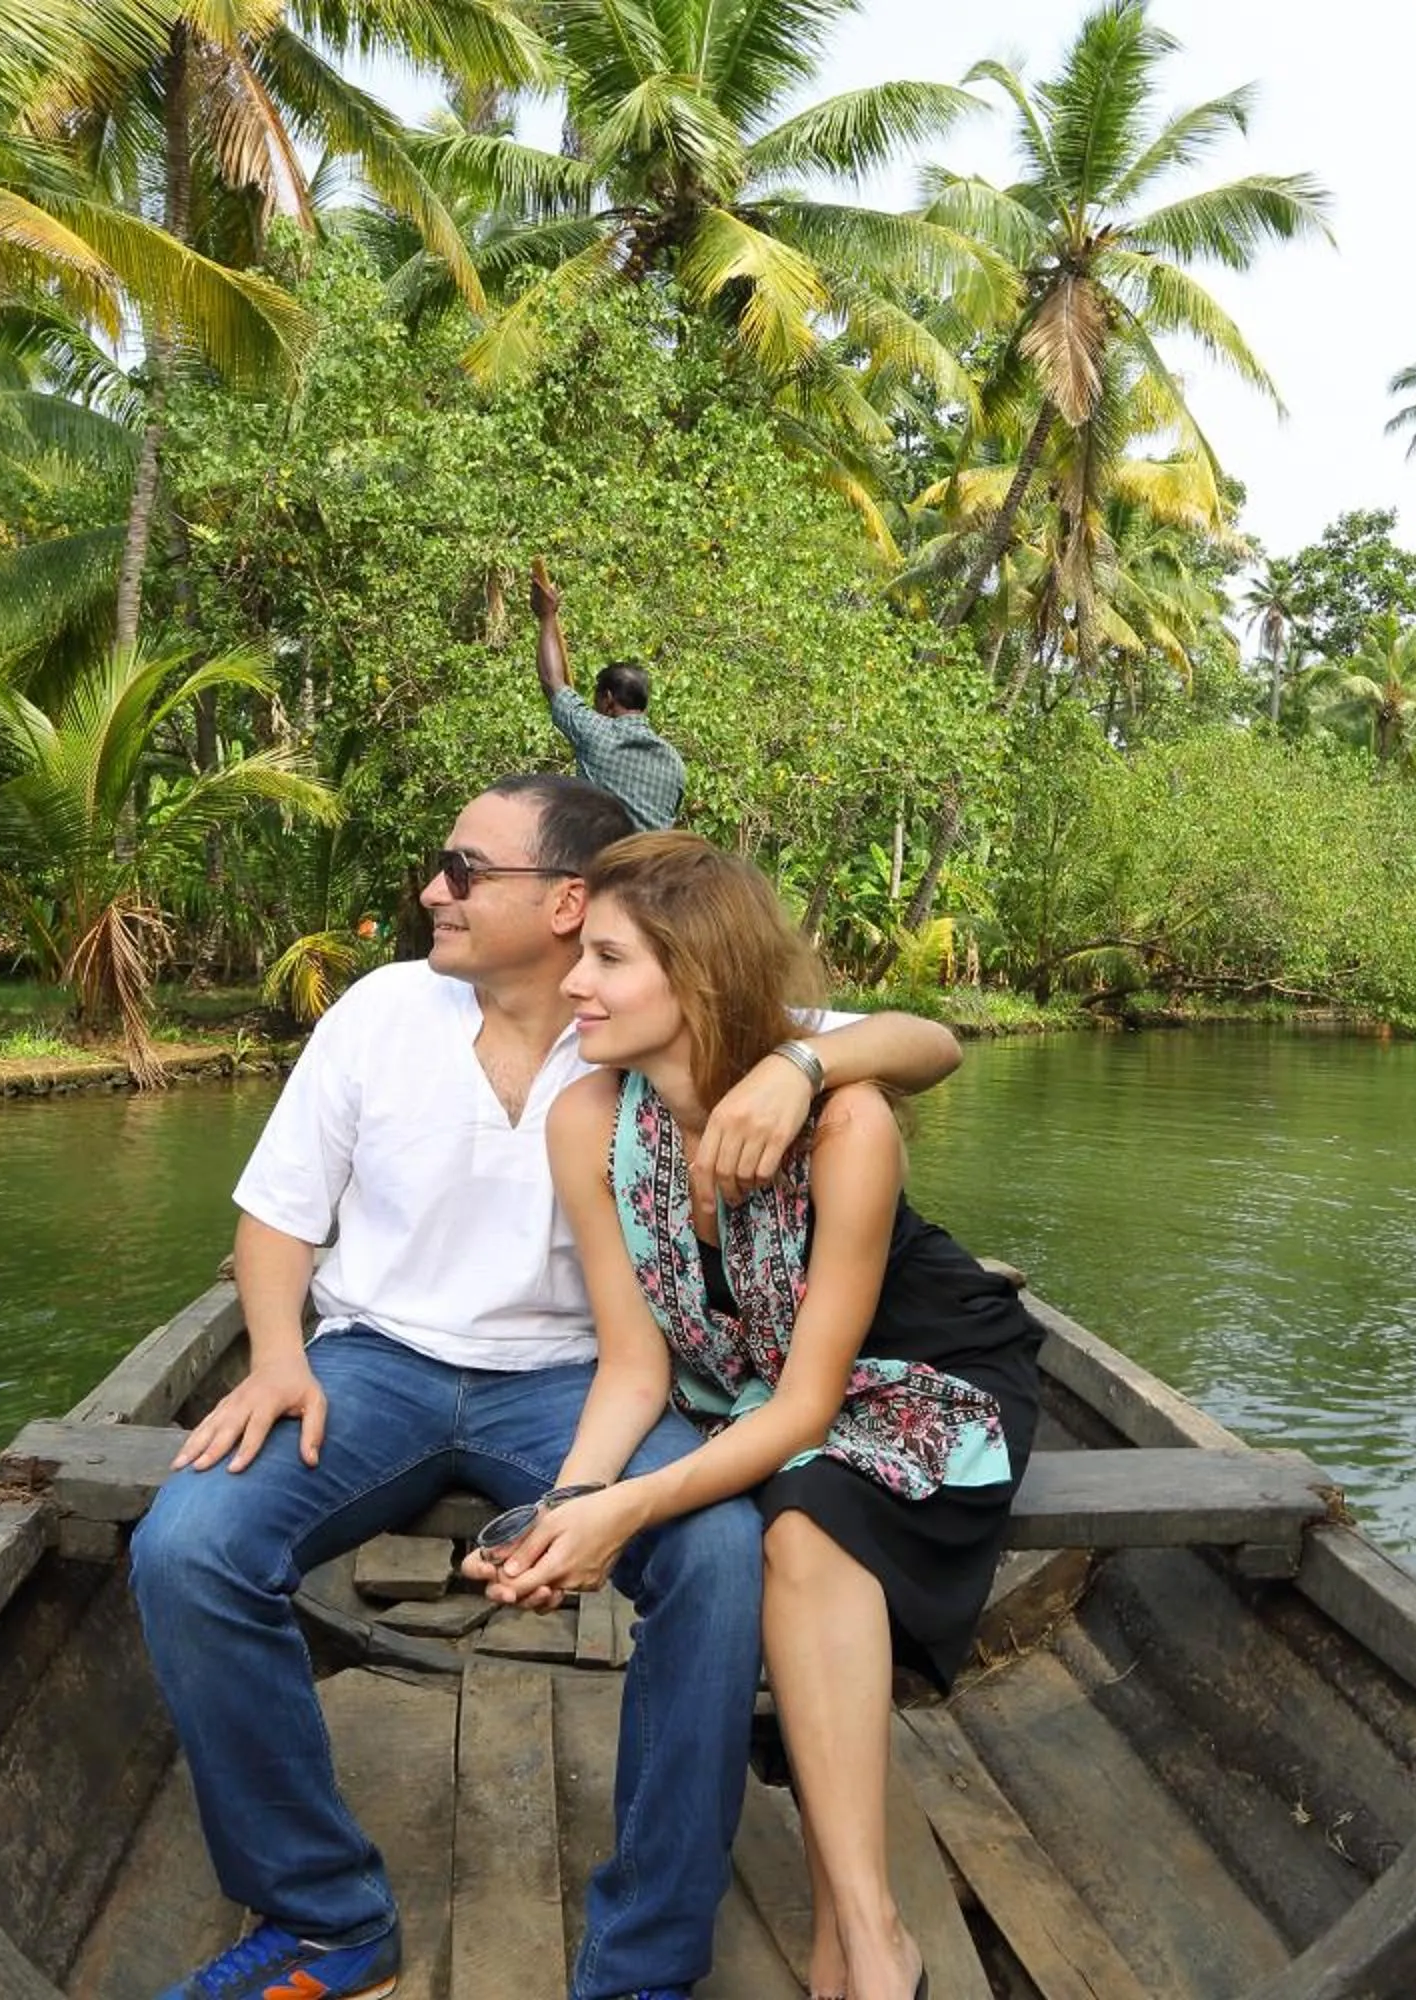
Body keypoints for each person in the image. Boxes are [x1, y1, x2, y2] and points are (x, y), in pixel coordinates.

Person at [126, 775, 962, 2000]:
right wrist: (276, 1355)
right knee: (186, 1544)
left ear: (565, 901)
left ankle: (641, 1966)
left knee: (722, 1559)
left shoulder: (646, 996)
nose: (433, 891)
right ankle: (323, 1917)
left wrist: (798, 1061)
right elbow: (275, 1215)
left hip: (576, 1383)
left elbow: (927, 1041)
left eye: (464, 869)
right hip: (375, 1367)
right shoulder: (381, 1011)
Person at [469, 832, 1042, 2000]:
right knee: (787, 1509)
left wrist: (629, 1508)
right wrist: (566, 1507)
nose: (573, 980)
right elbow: (637, 1365)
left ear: (699, 977)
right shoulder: (591, 1122)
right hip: (752, 1386)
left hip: (920, 1369)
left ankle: (867, 1937)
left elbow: (811, 1404)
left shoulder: (845, 1123)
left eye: (609, 958)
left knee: (802, 1516)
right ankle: (861, 1936)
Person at [531, 557, 684, 830]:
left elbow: (551, 681)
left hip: (607, 868)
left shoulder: (597, 734)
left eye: (596, 701)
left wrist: (546, 617)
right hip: (655, 869)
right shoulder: (673, 759)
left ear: (608, 700)